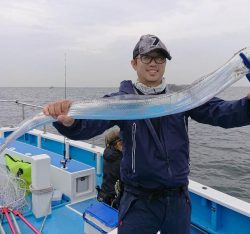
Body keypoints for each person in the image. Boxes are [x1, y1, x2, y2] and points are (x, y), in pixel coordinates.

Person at [43, 34, 250, 234]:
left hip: (177, 199)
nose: (154, 63)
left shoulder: (183, 97)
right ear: (134, 63)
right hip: (138, 200)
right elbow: (89, 125)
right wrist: (70, 123)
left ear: (165, 63)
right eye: (146, 57)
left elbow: (223, 114)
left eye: (159, 57)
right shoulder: (122, 101)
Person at [96, 129, 123, 208]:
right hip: (115, 197)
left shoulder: (108, 152)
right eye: (122, 141)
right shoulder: (120, 160)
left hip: (105, 192)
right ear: (117, 143)